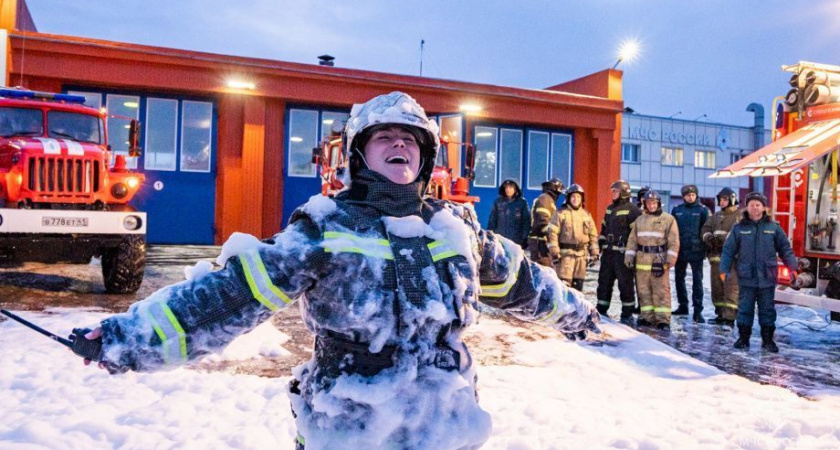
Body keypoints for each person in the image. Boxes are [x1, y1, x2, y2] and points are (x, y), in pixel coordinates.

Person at [75, 92, 601, 450]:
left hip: (444, 427)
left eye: (410, 140)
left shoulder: (456, 231)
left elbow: (528, 284)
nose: (399, 145)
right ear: (358, 155)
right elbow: (230, 295)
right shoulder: (323, 229)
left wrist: (580, 315)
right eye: (384, 137)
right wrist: (129, 337)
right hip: (349, 428)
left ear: (424, 158)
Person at [720, 192, 797, 353]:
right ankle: (743, 338)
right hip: (746, 276)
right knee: (745, 308)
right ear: (746, 207)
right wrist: (724, 269)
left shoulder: (773, 228)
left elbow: (785, 249)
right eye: (751, 205)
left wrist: (793, 268)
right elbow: (728, 250)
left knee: (767, 309)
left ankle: (768, 340)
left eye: (758, 205)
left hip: (767, 277)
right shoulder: (739, 228)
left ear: (763, 208)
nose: (754, 208)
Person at [625, 190, 680, 329]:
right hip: (642, 261)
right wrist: (629, 256)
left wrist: (669, 261)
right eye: (649, 203)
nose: (651, 205)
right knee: (644, 291)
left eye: (654, 203)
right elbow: (632, 240)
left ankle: (663, 320)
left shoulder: (668, 219)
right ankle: (647, 317)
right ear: (644, 204)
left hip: (659, 260)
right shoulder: (640, 220)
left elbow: (674, 242)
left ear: (659, 203)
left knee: (661, 291)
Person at [596, 180, 642, 321]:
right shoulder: (610, 208)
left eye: (615, 191)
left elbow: (636, 234)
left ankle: (627, 312)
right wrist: (600, 243)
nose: (613, 194)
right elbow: (604, 228)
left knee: (625, 283)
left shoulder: (633, 210)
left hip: (622, 253)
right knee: (604, 282)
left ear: (623, 192)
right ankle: (601, 309)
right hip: (608, 253)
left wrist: (632, 253)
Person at [546, 183, 599, 291]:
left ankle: (576, 308)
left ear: (582, 199)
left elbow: (593, 235)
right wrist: (555, 252)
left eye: (578, 197)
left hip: (581, 258)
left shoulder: (586, 215)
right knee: (564, 288)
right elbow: (552, 233)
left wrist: (594, 253)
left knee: (578, 288)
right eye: (573, 197)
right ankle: (563, 308)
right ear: (568, 198)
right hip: (565, 257)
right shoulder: (560, 213)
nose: (575, 199)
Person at [701, 187, 741, 325]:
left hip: (731, 262)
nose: (722, 202)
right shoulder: (715, 216)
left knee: (730, 289)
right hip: (715, 260)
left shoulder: (739, 216)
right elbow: (705, 229)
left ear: (732, 199)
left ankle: (729, 317)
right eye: (721, 200)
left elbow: (738, 235)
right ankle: (720, 314)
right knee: (717, 289)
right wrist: (709, 238)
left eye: (725, 199)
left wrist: (724, 242)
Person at [671, 184, 710, 322]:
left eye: (693, 195)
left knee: (697, 280)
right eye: (688, 195)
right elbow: (672, 230)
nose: (690, 197)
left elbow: (706, 229)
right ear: (683, 196)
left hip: (696, 250)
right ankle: (683, 305)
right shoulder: (677, 210)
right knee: (679, 279)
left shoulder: (703, 210)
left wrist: (705, 249)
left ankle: (698, 310)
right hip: (680, 250)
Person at [529, 177, 565, 266]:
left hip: (542, 242)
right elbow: (543, 223)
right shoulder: (545, 199)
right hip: (540, 243)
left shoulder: (548, 200)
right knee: (541, 272)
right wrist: (553, 236)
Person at [487, 179, 530, 249]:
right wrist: (489, 234)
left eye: (510, 187)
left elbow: (526, 222)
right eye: (506, 187)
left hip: (516, 240)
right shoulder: (498, 202)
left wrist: (525, 238)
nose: (508, 190)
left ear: (515, 189)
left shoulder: (522, 203)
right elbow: (492, 220)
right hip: (500, 239)